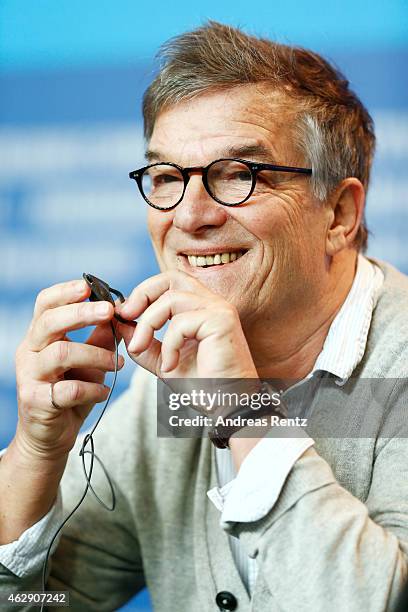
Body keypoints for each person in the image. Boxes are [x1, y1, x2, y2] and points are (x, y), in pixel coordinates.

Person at [0, 20, 407, 612]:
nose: (190, 216)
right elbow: (38, 606)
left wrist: (242, 412)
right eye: (166, 177)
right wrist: (34, 455)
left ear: (339, 212)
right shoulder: (167, 397)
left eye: (239, 175)